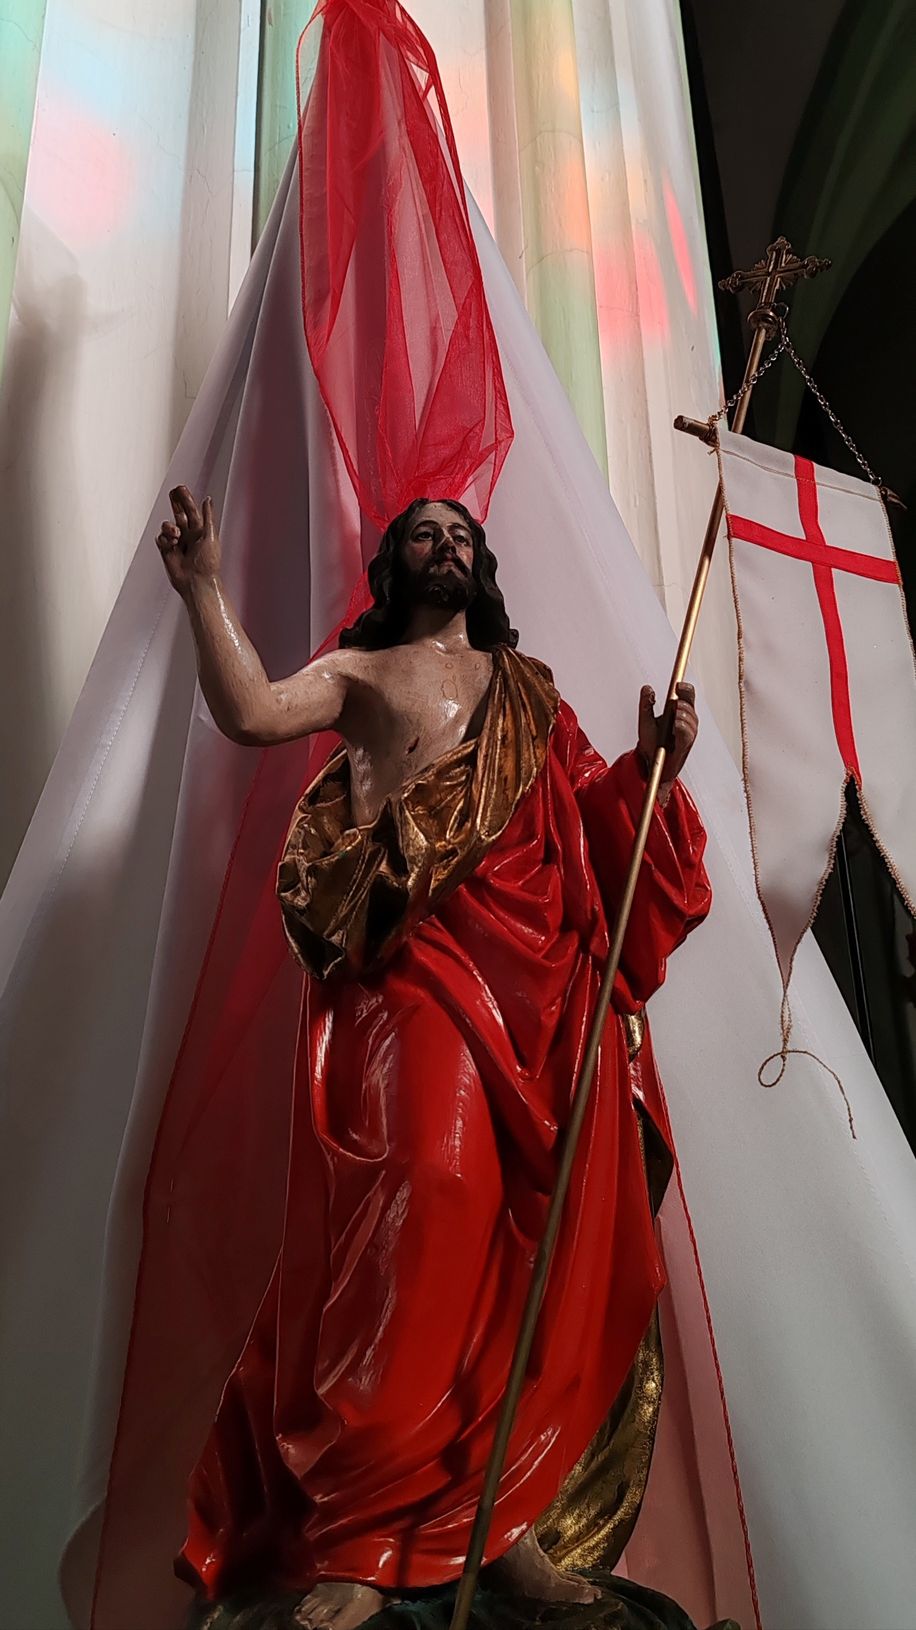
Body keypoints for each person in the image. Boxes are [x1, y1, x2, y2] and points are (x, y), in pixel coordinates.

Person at [155, 486, 709, 1630]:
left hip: (535, 998)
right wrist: (203, 586)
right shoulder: (363, 676)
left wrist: (654, 764)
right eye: (425, 535)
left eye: (461, 537)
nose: (446, 547)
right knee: (419, 1201)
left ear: (479, 566)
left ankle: (491, 1526)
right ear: (394, 564)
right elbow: (253, 710)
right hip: (411, 980)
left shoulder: (528, 694)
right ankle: (362, 1533)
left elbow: (590, 819)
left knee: (509, 1248)